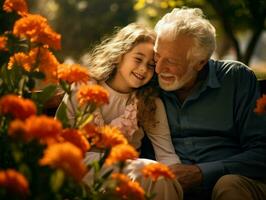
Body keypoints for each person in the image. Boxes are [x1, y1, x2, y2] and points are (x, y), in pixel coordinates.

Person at [146, 7, 266, 200]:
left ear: (200, 63)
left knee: (228, 184)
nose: (159, 68)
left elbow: (261, 152)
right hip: (170, 187)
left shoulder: (235, 78)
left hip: (231, 182)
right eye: (157, 56)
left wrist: (201, 173)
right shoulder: (148, 82)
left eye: (172, 61)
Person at [57, 23, 182, 200]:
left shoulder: (149, 103)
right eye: (138, 59)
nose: (143, 69)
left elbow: (166, 153)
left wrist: (176, 176)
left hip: (125, 177)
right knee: (146, 171)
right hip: (79, 168)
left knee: (159, 176)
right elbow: (59, 137)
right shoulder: (82, 87)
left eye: (151, 65)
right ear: (119, 56)